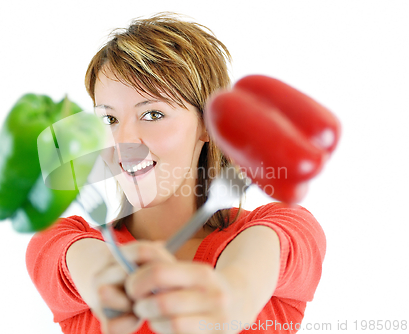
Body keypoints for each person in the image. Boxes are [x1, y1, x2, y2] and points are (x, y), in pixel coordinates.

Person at [26, 13, 326, 334]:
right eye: (108, 119)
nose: (124, 140)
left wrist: (234, 294)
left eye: (153, 114)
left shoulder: (283, 228)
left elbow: (257, 263)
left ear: (210, 126)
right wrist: (107, 278)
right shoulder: (63, 242)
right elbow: (87, 265)